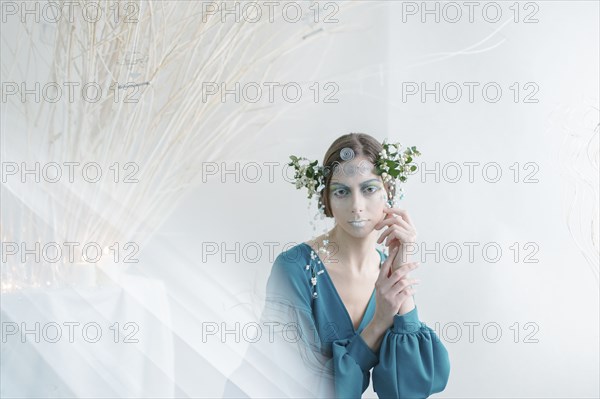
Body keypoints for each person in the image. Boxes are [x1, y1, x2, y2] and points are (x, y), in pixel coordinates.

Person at [222, 133, 450, 398]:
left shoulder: (385, 274)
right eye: (342, 192)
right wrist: (378, 323)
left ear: (390, 191)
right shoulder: (295, 268)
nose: (357, 206)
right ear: (327, 201)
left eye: (369, 189)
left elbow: (409, 389)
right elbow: (298, 386)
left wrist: (401, 271)